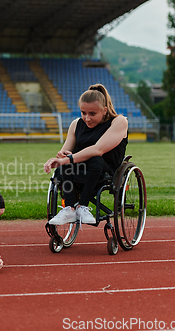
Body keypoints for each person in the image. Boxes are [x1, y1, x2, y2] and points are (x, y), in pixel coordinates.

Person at [43, 83, 128, 226]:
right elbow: (65, 153)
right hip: (82, 167)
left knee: (95, 159)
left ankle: (82, 207)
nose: (87, 118)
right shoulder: (76, 124)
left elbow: (98, 150)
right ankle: (69, 209)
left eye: (92, 114)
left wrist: (68, 159)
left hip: (105, 170)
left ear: (105, 110)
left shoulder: (119, 121)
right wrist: (61, 156)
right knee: (66, 162)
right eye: (83, 113)